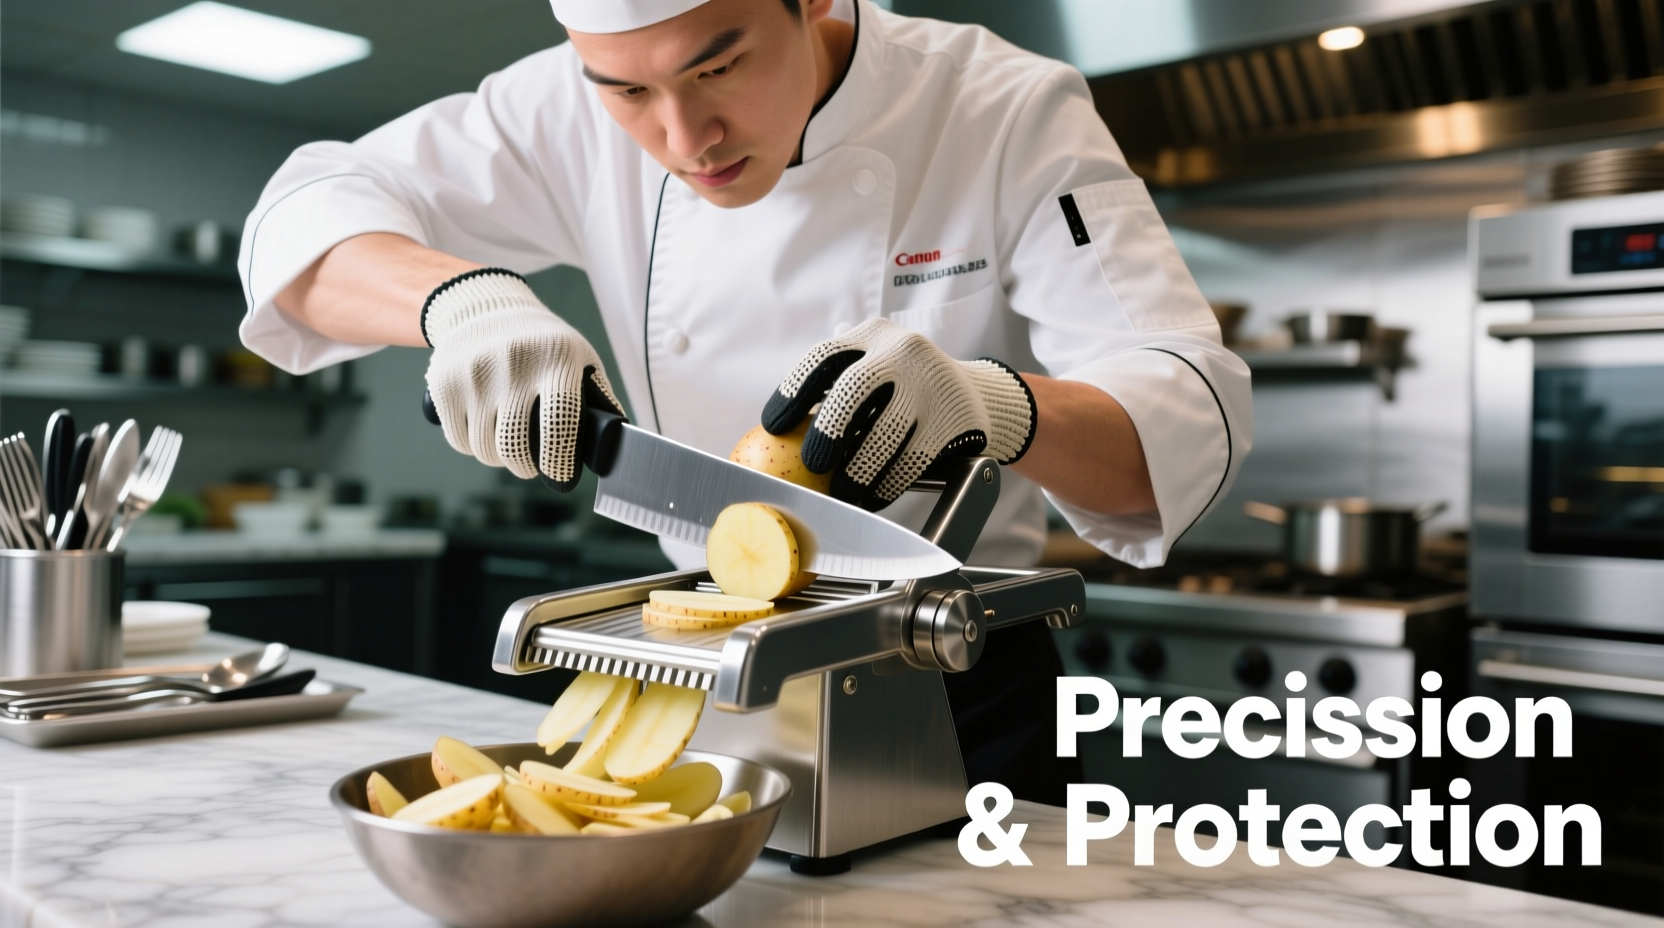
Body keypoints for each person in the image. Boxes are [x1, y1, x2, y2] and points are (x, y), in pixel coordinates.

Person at [238, 0, 1252, 805]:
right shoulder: (554, 108)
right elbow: (300, 216)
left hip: (950, 681)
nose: (684, 135)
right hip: (704, 664)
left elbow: (1184, 412)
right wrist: (459, 300)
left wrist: (995, 405)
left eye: (717, 67)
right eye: (625, 89)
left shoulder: (998, 107)